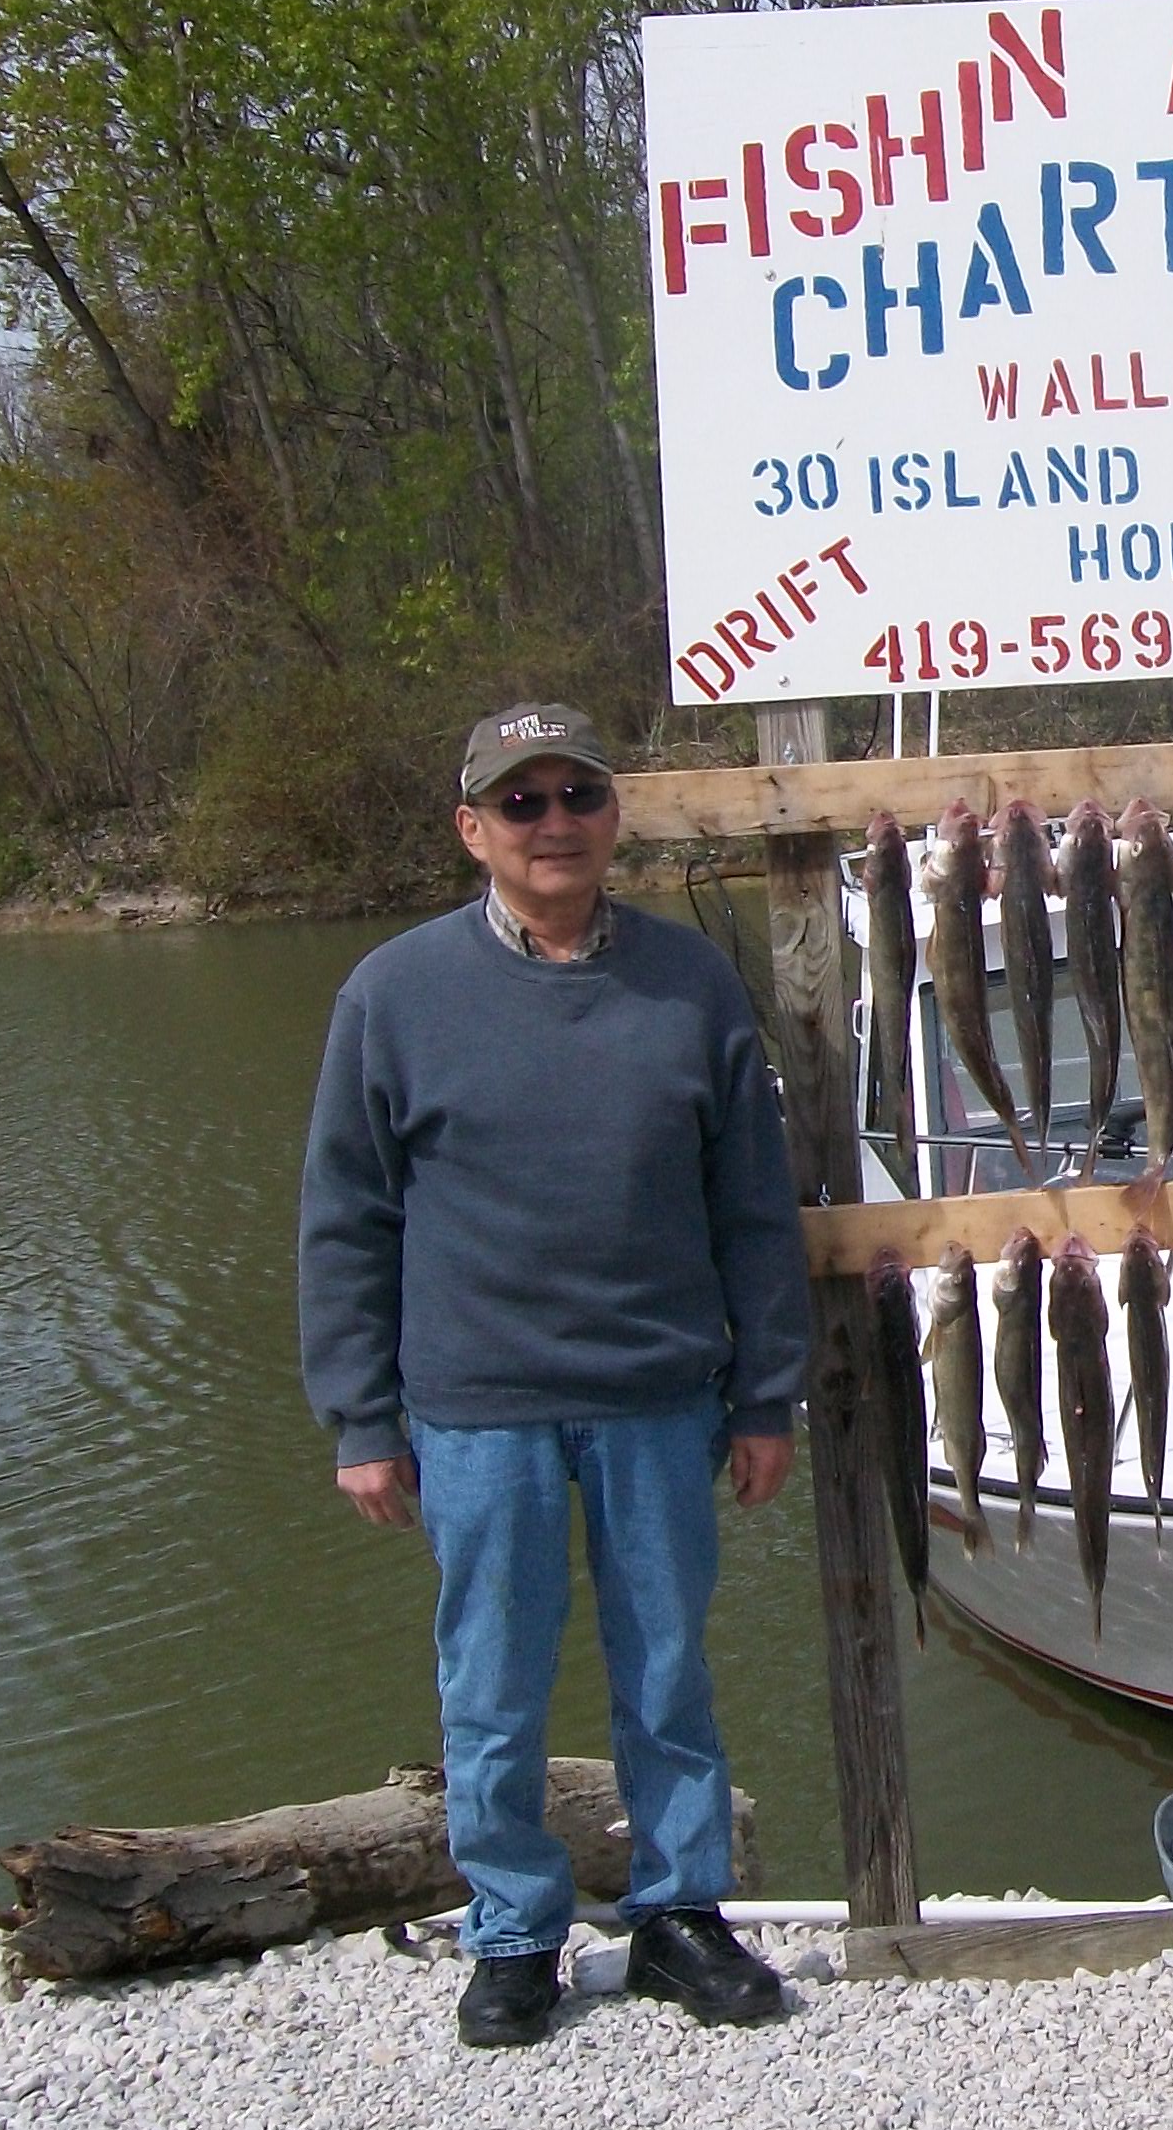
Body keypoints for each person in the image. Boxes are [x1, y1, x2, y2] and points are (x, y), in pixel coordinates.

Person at [301, 702, 813, 2049]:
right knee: (494, 1682)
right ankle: (515, 1927)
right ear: (473, 830)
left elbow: (753, 1207)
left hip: (661, 1395)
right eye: (519, 804)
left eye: (576, 794)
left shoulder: (691, 983)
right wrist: (362, 1417)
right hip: (480, 1408)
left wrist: (766, 1394)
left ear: (612, 815)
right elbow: (346, 1219)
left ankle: (680, 1914)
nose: (553, 824)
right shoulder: (394, 994)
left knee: (668, 1674)